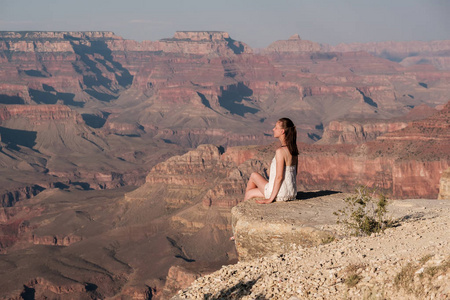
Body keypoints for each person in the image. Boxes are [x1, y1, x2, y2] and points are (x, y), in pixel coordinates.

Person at [244, 117, 299, 204]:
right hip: (291, 193)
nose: (273, 129)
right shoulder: (294, 150)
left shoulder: (280, 151)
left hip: (280, 193)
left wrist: (270, 199)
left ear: (282, 131)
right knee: (253, 179)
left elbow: (279, 177)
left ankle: (244, 212)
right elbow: (294, 173)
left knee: (252, 183)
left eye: (276, 127)